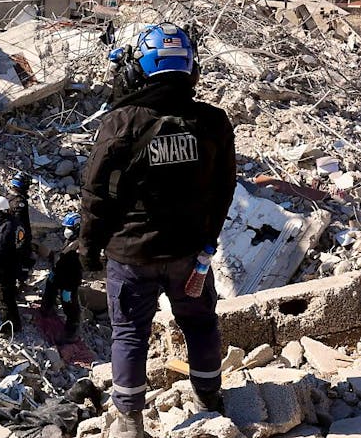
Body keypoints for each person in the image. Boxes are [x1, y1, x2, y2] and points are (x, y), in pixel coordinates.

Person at [80, 22, 236, 437]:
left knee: (130, 333)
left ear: (140, 69)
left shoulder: (121, 122)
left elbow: (95, 192)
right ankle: (209, 398)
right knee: (200, 323)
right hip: (189, 254)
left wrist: (88, 249)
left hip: (131, 256)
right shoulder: (214, 122)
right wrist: (208, 239)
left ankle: (129, 421)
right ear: (191, 69)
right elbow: (224, 189)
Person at [40, 212, 83, 344]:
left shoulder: (80, 244)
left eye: (69, 228)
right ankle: (47, 308)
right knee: (50, 286)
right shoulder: (71, 241)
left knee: (69, 304)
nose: (66, 231)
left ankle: (71, 332)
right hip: (60, 273)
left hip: (69, 281)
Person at [0, 196, 23, 335]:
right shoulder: (15, 223)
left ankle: (7, 329)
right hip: (14, 266)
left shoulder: (4, 229)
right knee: (10, 298)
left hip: (4, 270)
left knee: (4, 300)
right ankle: (16, 324)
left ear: (0, 212)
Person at [7, 172, 35, 281]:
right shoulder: (20, 202)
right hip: (19, 236)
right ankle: (21, 280)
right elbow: (19, 223)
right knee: (23, 259)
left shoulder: (8, 197)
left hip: (11, 236)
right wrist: (23, 239)